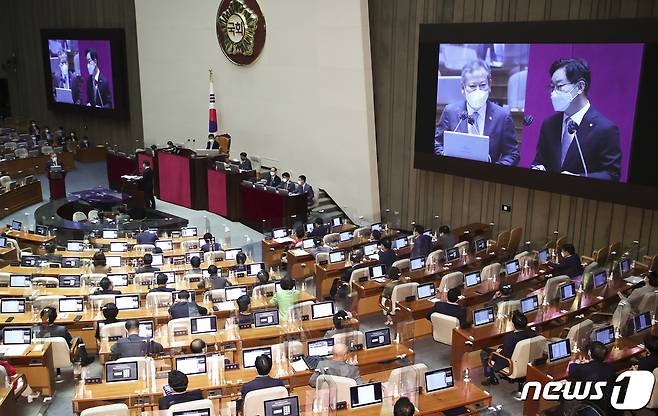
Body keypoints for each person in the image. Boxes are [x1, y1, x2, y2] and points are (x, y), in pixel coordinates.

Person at [532, 58, 621, 181]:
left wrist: (578, 179)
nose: (553, 93)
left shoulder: (605, 129)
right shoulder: (549, 125)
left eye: (560, 86)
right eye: (552, 87)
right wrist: (537, 168)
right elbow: (539, 161)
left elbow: (612, 175)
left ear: (580, 86)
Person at [434, 59, 519, 166]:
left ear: (490, 85)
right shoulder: (450, 112)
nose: (478, 91)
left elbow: (512, 154)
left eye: (483, 85)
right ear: (462, 88)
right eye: (473, 86)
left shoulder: (502, 117)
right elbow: (438, 143)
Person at [481, 311, 535, 385]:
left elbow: (505, 355)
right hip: (526, 361)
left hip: (510, 361)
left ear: (513, 325)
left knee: (484, 352)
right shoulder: (532, 333)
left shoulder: (510, 337)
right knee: (499, 348)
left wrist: (498, 352)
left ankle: (491, 378)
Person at [566, 341, 615, 413]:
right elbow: (594, 368)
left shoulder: (583, 369)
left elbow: (569, 369)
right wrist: (588, 363)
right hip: (608, 405)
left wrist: (573, 360)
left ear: (589, 353)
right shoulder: (610, 367)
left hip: (591, 406)